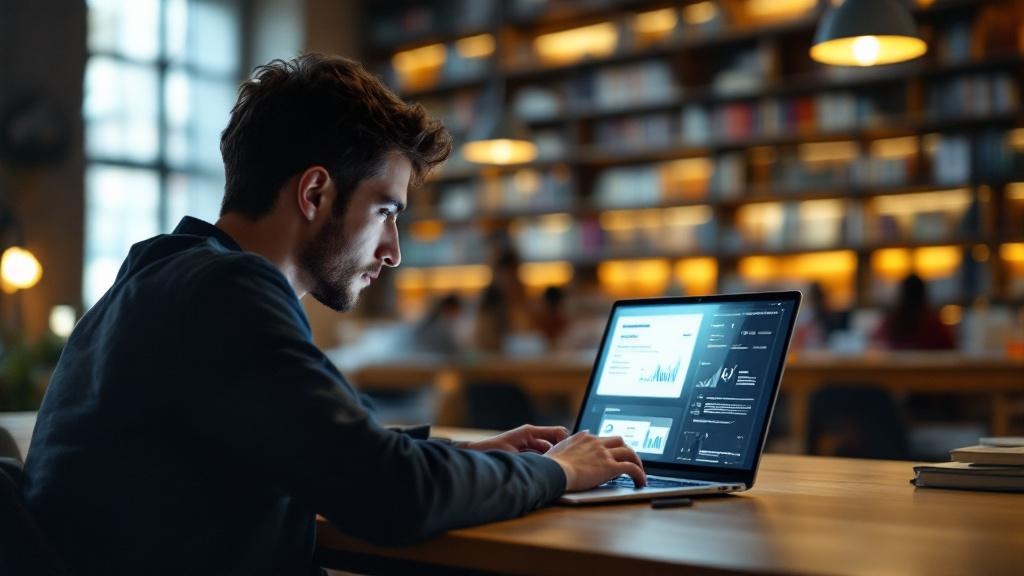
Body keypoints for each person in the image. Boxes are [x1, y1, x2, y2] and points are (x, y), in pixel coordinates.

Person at [21, 54, 644, 576]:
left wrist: (487, 461)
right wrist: (554, 471)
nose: (394, 251)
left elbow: (318, 449)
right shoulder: (226, 291)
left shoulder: (163, 275)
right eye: (385, 211)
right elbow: (389, 494)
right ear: (315, 193)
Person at [872, 273, 956, 350]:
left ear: (902, 294)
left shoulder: (891, 321)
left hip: (896, 366)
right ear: (923, 294)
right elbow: (952, 349)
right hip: (927, 366)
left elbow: (876, 343)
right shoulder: (933, 322)